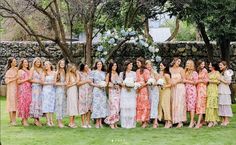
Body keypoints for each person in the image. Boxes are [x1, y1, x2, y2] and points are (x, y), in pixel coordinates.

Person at [90, 60, 108, 128]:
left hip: (102, 91)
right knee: (96, 106)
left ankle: (100, 122)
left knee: (102, 106)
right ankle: (97, 122)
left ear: (102, 65)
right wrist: (97, 85)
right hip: (96, 90)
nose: (99, 65)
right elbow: (91, 82)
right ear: (96, 65)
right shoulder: (93, 72)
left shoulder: (104, 73)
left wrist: (104, 85)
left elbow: (106, 82)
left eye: (100, 64)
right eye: (98, 64)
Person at [119, 60, 137, 128]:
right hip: (124, 92)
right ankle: (124, 123)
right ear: (126, 66)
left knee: (131, 107)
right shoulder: (122, 73)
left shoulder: (134, 73)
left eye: (131, 65)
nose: (131, 66)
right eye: (130, 65)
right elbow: (120, 82)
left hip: (131, 92)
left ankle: (131, 123)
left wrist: (131, 86)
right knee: (125, 107)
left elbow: (135, 82)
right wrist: (126, 86)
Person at [170, 57, 186, 128]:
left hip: (180, 87)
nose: (179, 63)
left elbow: (184, 79)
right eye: (178, 61)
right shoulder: (170, 69)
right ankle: (174, 120)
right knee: (173, 103)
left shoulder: (181, 69)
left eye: (180, 62)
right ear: (174, 61)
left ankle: (180, 121)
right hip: (173, 88)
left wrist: (177, 81)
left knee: (180, 103)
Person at [104, 62, 121, 129]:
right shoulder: (109, 74)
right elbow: (106, 84)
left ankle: (115, 123)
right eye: (113, 65)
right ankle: (111, 123)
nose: (115, 66)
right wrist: (113, 85)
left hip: (117, 92)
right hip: (112, 92)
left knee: (117, 108)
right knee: (112, 108)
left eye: (116, 65)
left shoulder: (117, 73)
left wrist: (118, 85)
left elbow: (119, 82)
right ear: (111, 66)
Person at [136, 57, 150, 128]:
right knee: (140, 105)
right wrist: (136, 85)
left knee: (145, 106)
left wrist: (142, 86)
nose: (137, 64)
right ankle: (141, 120)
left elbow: (148, 81)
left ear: (141, 63)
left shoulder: (146, 71)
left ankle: (145, 121)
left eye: (138, 62)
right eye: (136, 63)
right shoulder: (137, 71)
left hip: (144, 90)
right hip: (138, 90)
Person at [183, 59, 198, 128]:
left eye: (188, 63)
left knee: (192, 106)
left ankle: (192, 122)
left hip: (192, 90)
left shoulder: (194, 73)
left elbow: (195, 82)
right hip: (186, 90)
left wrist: (186, 81)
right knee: (188, 106)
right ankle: (193, 121)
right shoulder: (185, 72)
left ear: (191, 65)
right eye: (186, 63)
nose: (187, 65)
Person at [77, 63, 93, 128]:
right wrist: (86, 81)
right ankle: (83, 123)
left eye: (88, 67)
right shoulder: (79, 73)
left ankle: (88, 123)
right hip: (82, 92)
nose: (87, 68)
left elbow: (91, 82)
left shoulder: (90, 73)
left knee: (89, 108)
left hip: (89, 92)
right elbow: (78, 83)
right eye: (85, 67)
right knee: (83, 107)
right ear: (83, 67)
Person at [17, 58, 32, 126]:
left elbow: (30, 80)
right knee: (23, 104)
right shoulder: (20, 71)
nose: (26, 63)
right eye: (25, 62)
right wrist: (26, 79)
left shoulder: (29, 71)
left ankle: (26, 119)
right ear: (22, 63)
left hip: (29, 89)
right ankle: (23, 120)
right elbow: (18, 81)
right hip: (22, 89)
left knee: (28, 103)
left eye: (27, 62)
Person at [218, 61, 233, 126]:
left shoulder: (227, 72)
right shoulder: (221, 72)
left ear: (225, 66)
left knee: (225, 104)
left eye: (221, 65)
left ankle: (226, 120)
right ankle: (223, 119)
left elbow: (229, 82)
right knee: (221, 104)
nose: (220, 66)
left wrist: (221, 80)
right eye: (219, 65)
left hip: (225, 90)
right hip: (220, 89)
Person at [29, 57, 44, 127]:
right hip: (35, 87)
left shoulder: (42, 69)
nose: (38, 63)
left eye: (39, 62)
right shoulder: (32, 69)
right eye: (37, 62)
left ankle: (38, 119)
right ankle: (35, 120)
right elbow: (30, 79)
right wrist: (37, 81)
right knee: (35, 102)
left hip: (41, 88)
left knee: (39, 102)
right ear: (34, 62)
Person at [205, 63, 220, 127]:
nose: (209, 66)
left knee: (213, 104)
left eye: (210, 65)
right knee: (209, 104)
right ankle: (211, 120)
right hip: (209, 89)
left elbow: (218, 81)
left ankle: (213, 120)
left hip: (214, 88)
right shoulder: (208, 74)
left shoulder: (217, 72)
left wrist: (210, 81)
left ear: (213, 66)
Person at [41, 61, 56, 127]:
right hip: (46, 90)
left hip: (52, 90)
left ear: (50, 65)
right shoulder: (44, 73)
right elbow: (42, 82)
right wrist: (50, 83)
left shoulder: (54, 73)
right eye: (45, 65)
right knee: (46, 105)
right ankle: (48, 121)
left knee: (51, 105)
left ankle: (51, 120)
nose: (46, 66)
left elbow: (55, 82)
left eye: (47, 64)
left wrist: (50, 83)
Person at [145, 60, 159, 128]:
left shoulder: (154, 72)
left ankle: (155, 122)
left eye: (150, 65)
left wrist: (153, 83)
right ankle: (147, 121)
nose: (148, 66)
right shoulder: (145, 72)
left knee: (154, 105)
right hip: (148, 90)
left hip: (154, 90)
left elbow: (158, 81)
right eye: (147, 65)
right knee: (149, 105)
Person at [158, 61, 172, 128]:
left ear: (165, 66)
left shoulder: (166, 75)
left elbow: (170, 84)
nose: (160, 67)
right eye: (160, 65)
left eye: (161, 65)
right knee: (161, 106)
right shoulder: (160, 73)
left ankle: (168, 121)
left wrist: (164, 86)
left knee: (166, 106)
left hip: (166, 91)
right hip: (161, 91)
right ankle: (165, 121)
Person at [5, 57, 18, 126]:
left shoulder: (17, 69)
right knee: (12, 104)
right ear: (11, 63)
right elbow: (7, 81)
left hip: (17, 89)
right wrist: (14, 78)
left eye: (16, 61)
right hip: (11, 89)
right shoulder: (9, 71)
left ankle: (12, 119)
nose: (16, 62)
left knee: (15, 104)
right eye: (14, 61)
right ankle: (13, 120)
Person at [195, 60, 208, 128]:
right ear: (199, 64)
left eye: (203, 64)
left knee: (201, 104)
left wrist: (199, 80)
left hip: (202, 88)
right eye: (201, 64)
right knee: (198, 104)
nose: (203, 65)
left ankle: (198, 123)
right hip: (197, 88)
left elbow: (206, 81)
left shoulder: (205, 70)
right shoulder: (197, 70)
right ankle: (202, 120)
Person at [55, 59, 67, 128]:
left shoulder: (64, 72)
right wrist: (62, 84)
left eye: (63, 63)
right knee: (59, 105)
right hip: (59, 90)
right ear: (59, 64)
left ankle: (61, 121)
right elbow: (54, 83)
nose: (62, 64)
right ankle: (59, 122)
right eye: (61, 63)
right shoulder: (57, 72)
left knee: (62, 105)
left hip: (63, 91)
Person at [66, 63, 79, 128]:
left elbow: (77, 81)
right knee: (71, 106)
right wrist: (74, 83)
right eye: (73, 68)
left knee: (74, 106)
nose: (75, 69)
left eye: (75, 68)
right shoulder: (68, 74)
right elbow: (67, 85)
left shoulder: (74, 74)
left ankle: (73, 122)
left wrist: (77, 74)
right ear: (70, 68)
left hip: (75, 91)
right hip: (70, 91)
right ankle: (70, 123)